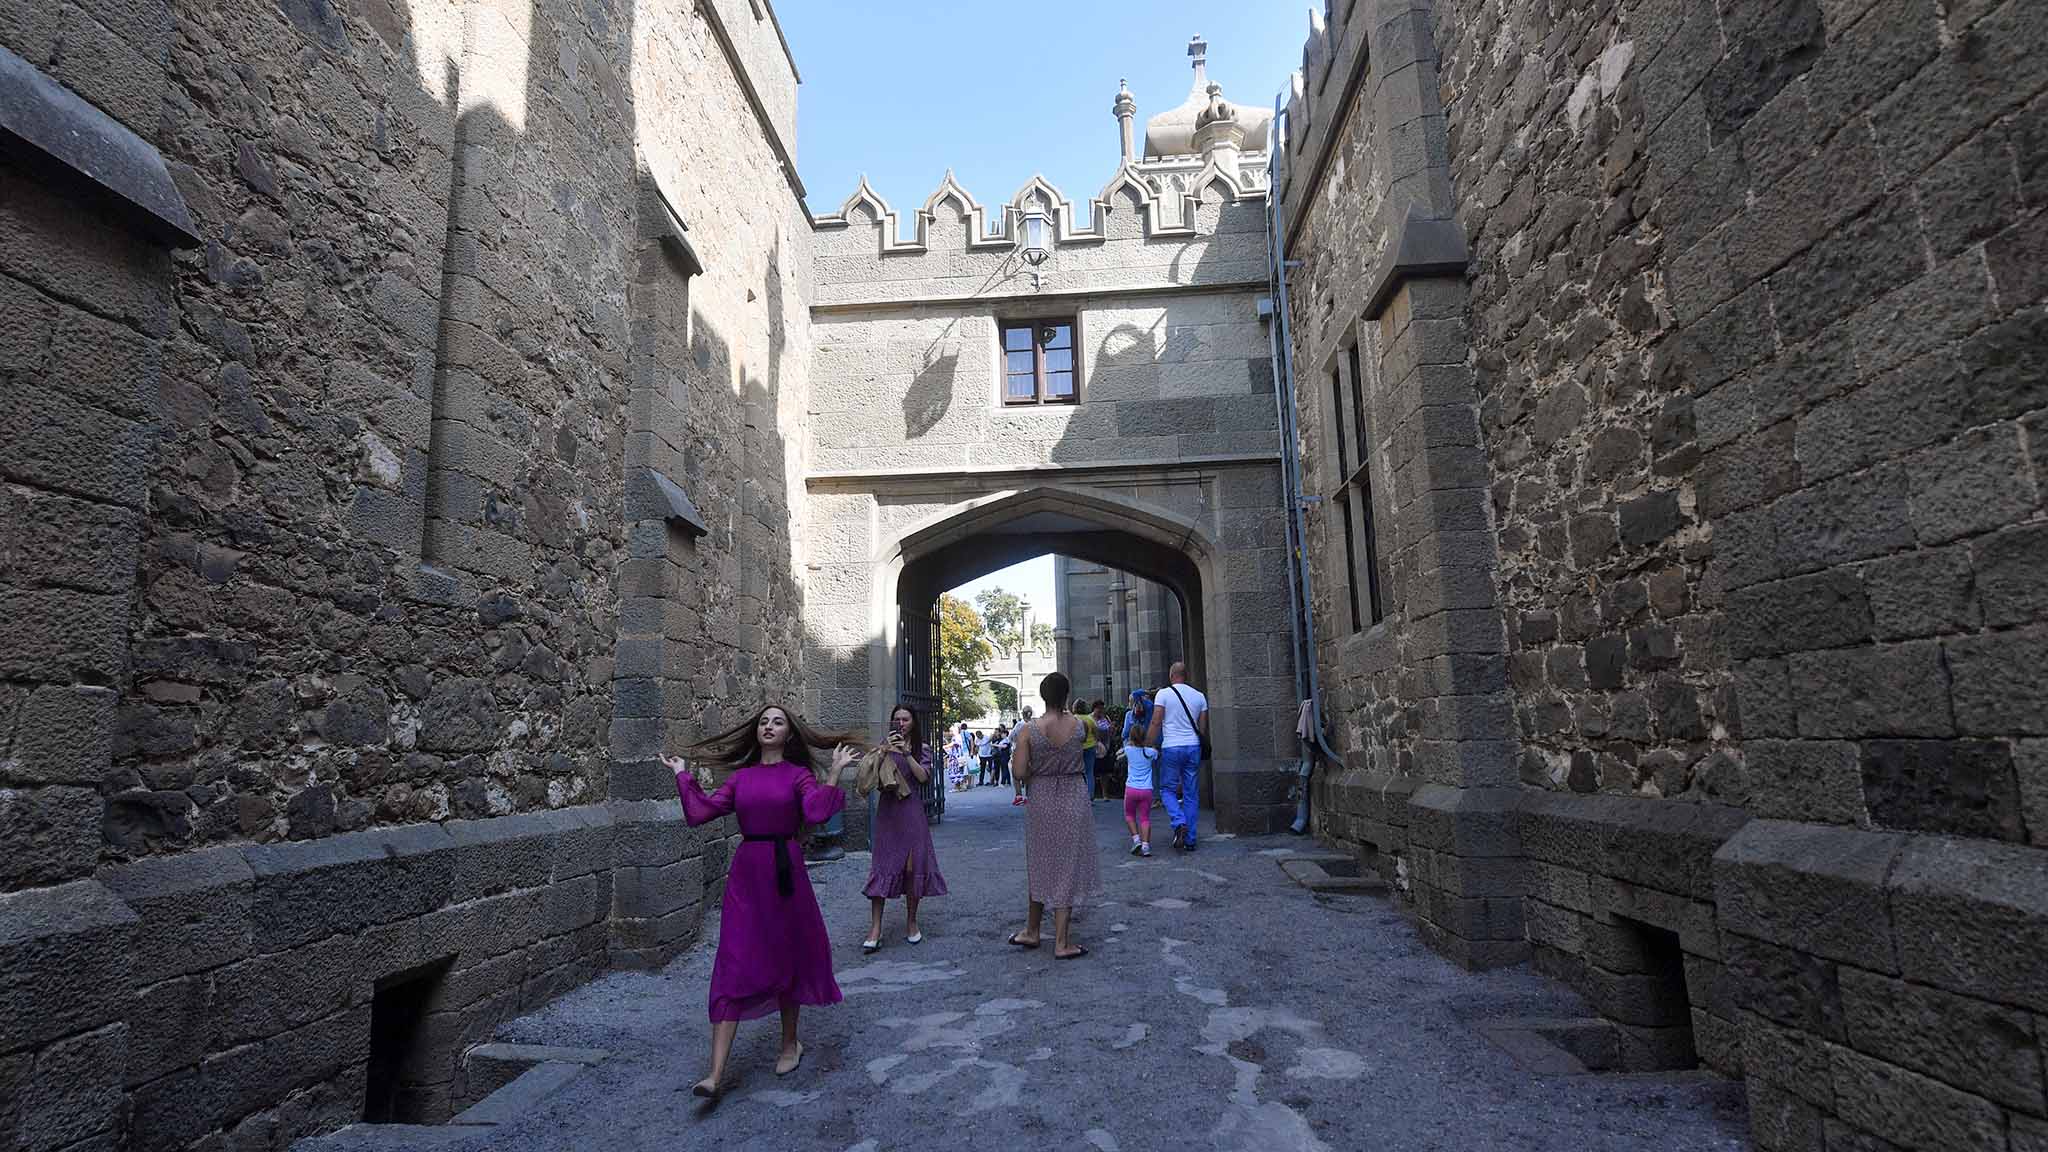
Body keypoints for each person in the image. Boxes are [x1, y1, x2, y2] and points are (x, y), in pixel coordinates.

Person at [663, 705, 859, 1098]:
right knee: (733, 960)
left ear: (789, 734)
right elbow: (701, 812)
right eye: (764, 722)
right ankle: (715, 1074)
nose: (769, 726)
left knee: (786, 955)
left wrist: (835, 772)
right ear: (757, 732)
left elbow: (815, 813)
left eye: (777, 722)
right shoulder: (741, 778)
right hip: (747, 875)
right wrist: (682, 774)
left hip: (785, 873)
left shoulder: (798, 775)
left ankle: (790, 1043)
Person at [1006, 672, 1100, 960]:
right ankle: (1061, 941)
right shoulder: (1079, 726)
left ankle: (1032, 930)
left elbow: (1019, 771)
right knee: (1067, 864)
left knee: (1040, 861)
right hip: (1073, 795)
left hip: (1042, 797)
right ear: (1066, 694)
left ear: (1043, 695)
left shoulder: (1028, 730)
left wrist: (1035, 768)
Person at [860, 703, 946, 953]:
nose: (900, 723)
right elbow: (872, 777)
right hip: (888, 812)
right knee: (882, 866)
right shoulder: (884, 746)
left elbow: (923, 778)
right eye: (896, 719)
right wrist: (882, 752)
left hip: (911, 812)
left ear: (913, 722)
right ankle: (875, 928)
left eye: (905, 719)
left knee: (911, 868)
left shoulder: (922, 749)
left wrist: (907, 754)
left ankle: (912, 921)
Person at [1146, 661, 1209, 853]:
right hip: (1193, 747)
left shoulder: (1163, 694)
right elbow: (1202, 728)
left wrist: (1147, 744)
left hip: (1172, 747)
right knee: (1190, 793)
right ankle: (1190, 839)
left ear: (1171, 675)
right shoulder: (1199, 696)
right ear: (1185, 675)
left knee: (1167, 789)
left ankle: (1179, 821)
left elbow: (1156, 722)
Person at [1119, 692, 1158, 856]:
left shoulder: (1128, 750)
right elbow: (1156, 753)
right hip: (1147, 790)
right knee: (1145, 818)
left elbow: (1119, 754)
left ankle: (1136, 840)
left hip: (1131, 788)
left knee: (1129, 815)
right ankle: (1146, 846)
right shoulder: (1151, 752)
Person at [1091, 700, 1114, 800]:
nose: (1101, 710)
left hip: (1105, 748)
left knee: (1104, 772)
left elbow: (1110, 732)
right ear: (1094, 708)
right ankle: (1091, 793)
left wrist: (1111, 729)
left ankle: (1105, 794)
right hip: (1093, 748)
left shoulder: (1106, 718)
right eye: (1099, 708)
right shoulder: (1090, 718)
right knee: (1092, 771)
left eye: (1102, 708)